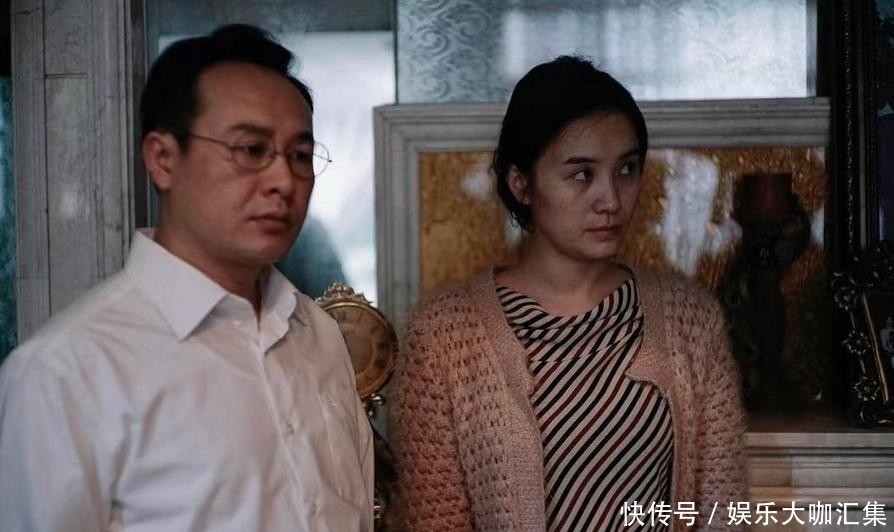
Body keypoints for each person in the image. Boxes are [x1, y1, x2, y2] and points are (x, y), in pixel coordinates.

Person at [0, 25, 373, 531]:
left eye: (300, 156)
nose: (284, 180)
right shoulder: (66, 373)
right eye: (251, 149)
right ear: (163, 159)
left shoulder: (318, 334)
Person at [391, 56, 747, 531]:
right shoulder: (444, 336)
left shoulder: (691, 322)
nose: (611, 200)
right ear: (521, 183)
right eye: (582, 174)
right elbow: (435, 521)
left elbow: (721, 509)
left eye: (626, 170)